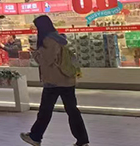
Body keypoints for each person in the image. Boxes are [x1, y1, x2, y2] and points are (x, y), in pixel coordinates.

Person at [21, 15, 89, 146]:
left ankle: (35, 137)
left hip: (54, 82)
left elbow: (46, 61)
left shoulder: (49, 40)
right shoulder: (59, 38)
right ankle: (82, 140)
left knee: (45, 111)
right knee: (72, 111)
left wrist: (34, 53)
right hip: (67, 80)